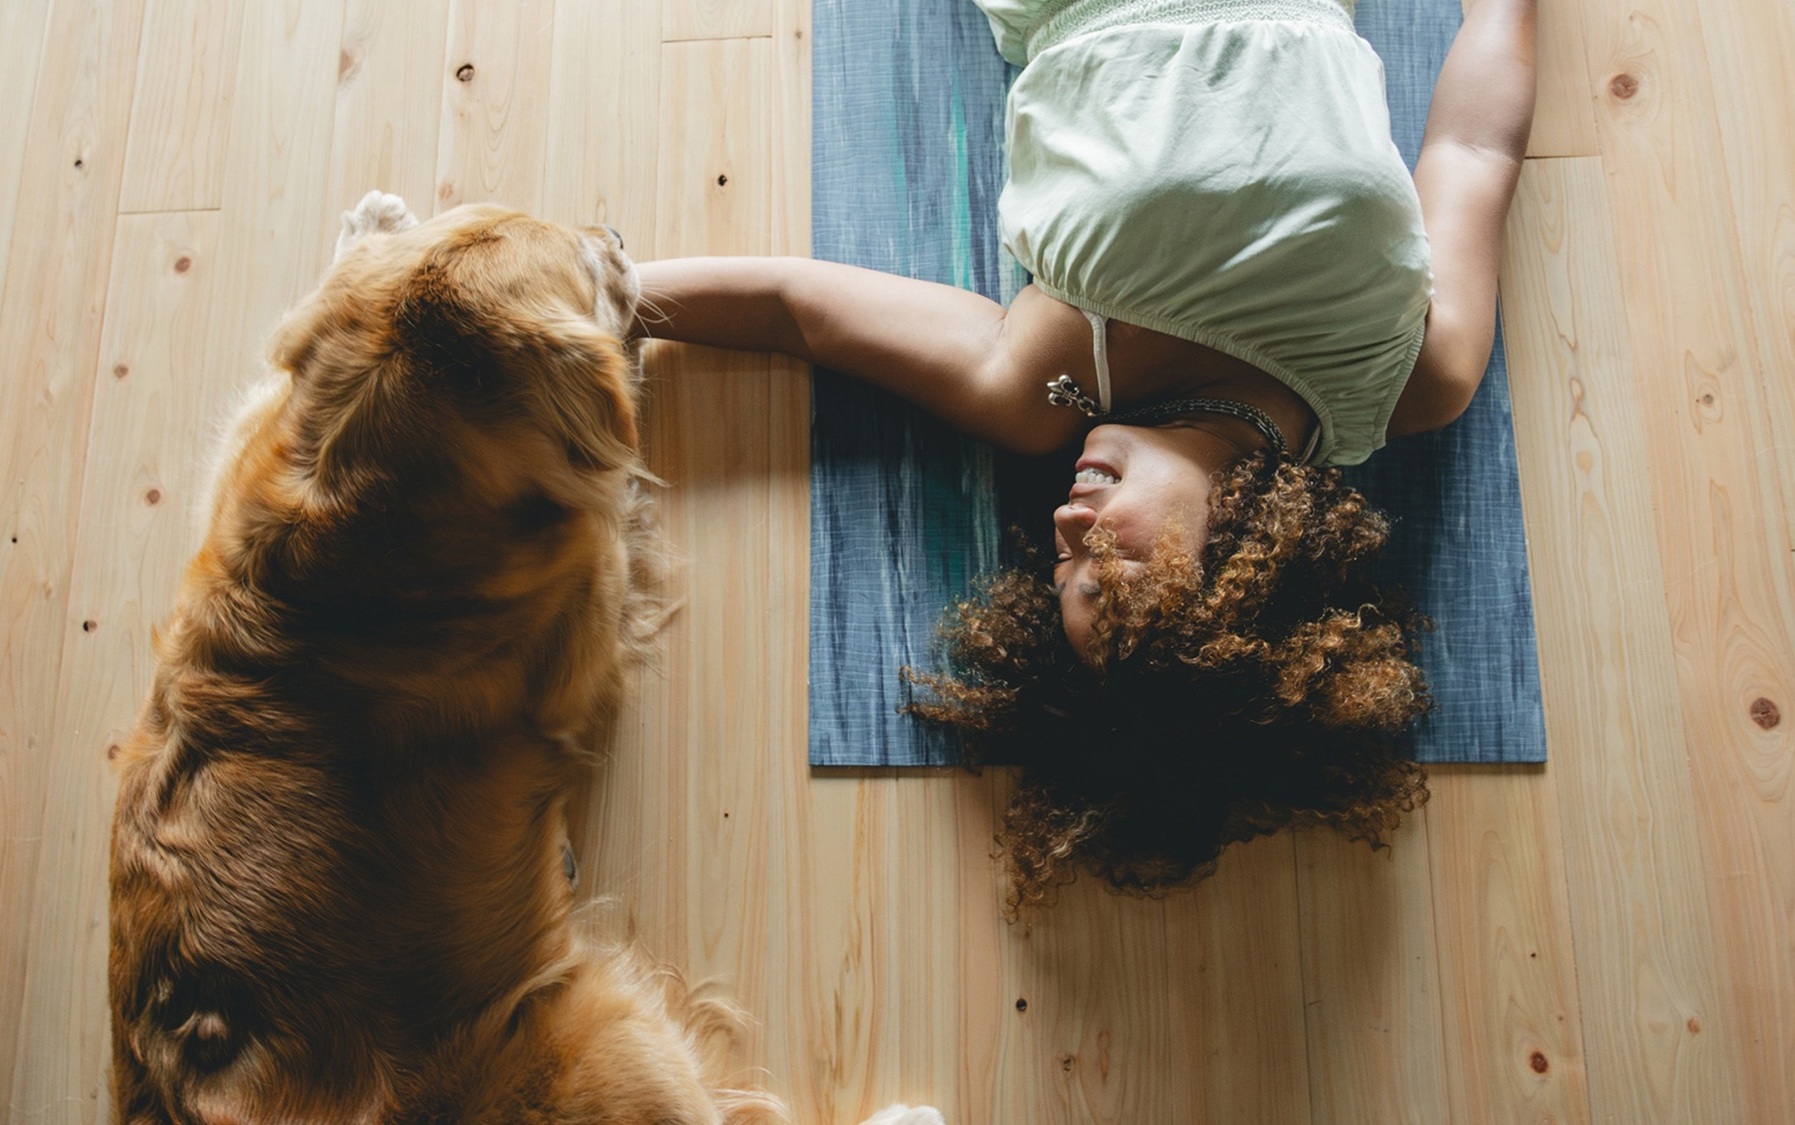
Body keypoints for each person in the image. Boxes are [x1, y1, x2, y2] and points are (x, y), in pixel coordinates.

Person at [634, 0, 1538, 909]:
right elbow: (1472, 152)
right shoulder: (1408, 378)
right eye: (1108, 564)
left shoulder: (1041, 385)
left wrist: (600, 292)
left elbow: (793, 309)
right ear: (1240, 572)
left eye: (1062, 564)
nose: (1066, 523)